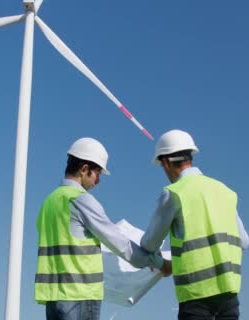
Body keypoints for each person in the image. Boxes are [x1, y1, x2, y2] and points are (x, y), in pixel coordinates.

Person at [35, 137, 167, 320]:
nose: (98, 181)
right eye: (97, 173)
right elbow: (120, 243)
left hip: (53, 298)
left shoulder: (49, 203)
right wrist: (158, 263)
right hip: (79, 295)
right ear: (84, 169)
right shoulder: (80, 200)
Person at [140, 129, 249, 320]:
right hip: (229, 294)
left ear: (165, 162)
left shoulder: (174, 193)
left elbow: (149, 244)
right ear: (190, 156)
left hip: (196, 297)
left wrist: (159, 260)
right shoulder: (224, 191)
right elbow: (244, 242)